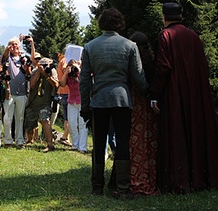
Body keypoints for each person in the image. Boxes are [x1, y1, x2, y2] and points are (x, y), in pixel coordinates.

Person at [79, 8, 148, 199]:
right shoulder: (130, 45)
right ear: (120, 23)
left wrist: (85, 106)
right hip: (122, 98)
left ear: (101, 23)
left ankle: (97, 187)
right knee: (123, 142)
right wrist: (149, 92)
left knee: (99, 143)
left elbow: (84, 80)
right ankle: (124, 188)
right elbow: (138, 77)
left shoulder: (90, 47)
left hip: (99, 99)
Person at [150, 2, 218, 193]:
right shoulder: (193, 36)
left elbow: (163, 66)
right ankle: (201, 178)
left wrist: (154, 94)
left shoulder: (165, 35)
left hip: (175, 94)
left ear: (164, 17)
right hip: (196, 93)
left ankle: (179, 180)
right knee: (195, 131)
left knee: (177, 133)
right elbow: (203, 66)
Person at [129, 31, 159, 195]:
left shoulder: (131, 61)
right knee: (151, 141)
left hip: (135, 104)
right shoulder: (153, 60)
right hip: (151, 105)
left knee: (136, 140)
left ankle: (137, 177)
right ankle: (153, 177)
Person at [25, 57, 59, 152]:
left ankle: (50, 144)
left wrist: (47, 75)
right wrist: (39, 73)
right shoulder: (35, 71)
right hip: (33, 102)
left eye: (46, 65)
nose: (44, 67)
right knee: (30, 123)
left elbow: (56, 85)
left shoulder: (52, 71)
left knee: (45, 120)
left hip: (45, 102)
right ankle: (30, 140)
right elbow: (31, 85)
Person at [1, 37, 28, 148]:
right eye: (12, 44)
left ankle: (20, 140)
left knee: (20, 118)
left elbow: (28, 71)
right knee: (8, 117)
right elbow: (4, 57)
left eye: (16, 44)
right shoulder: (8, 58)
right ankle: (7, 140)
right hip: (9, 92)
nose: (14, 46)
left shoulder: (23, 58)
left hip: (22, 92)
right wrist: (8, 49)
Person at [59, 59, 87, 154]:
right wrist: (66, 72)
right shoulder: (68, 76)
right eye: (70, 65)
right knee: (71, 123)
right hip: (72, 102)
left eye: (73, 65)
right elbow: (62, 84)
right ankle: (75, 145)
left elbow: (84, 82)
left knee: (82, 124)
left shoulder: (81, 74)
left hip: (82, 102)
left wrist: (78, 69)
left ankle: (82, 147)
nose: (72, 67)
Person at [55, 54, 71, 147]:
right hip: (68, 91)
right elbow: (66, 71)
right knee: (71, 118)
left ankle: (66, 138)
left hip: (63, 91)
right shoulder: (66, 61)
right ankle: (64, 137)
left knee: (67, 118)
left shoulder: (61, 62)